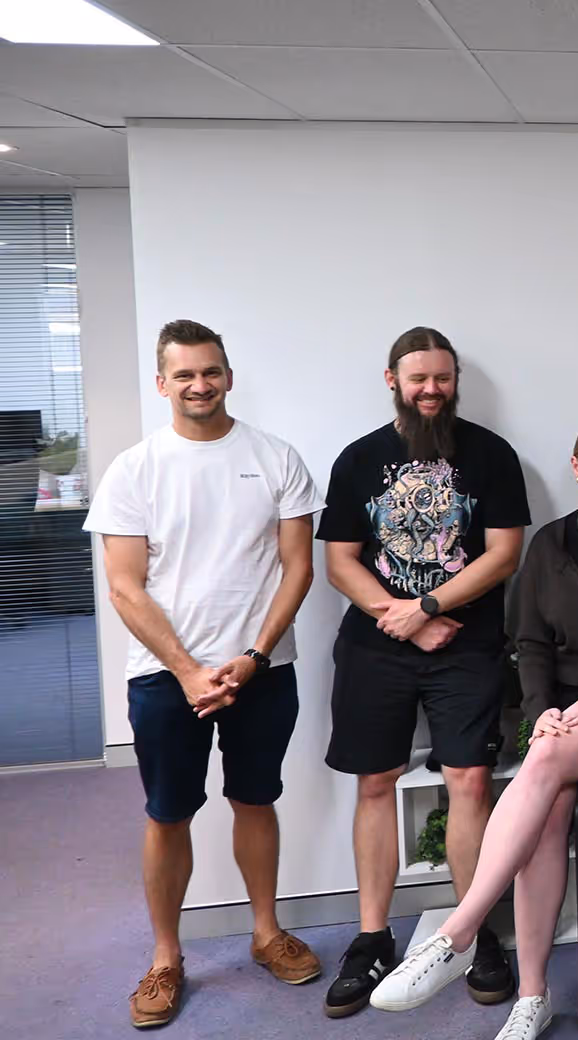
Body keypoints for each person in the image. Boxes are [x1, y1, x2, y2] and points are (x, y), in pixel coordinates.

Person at [366, 420, 578, 1038]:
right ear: (576, 467)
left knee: (541, 763)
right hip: (564, 714)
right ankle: (534, 996)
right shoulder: (548, 544)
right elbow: (531, 640)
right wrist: (542, 707)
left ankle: (459, 930)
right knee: (544, 814)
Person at [86, 320, 325, 1029]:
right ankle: (166, 959)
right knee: (169, 814)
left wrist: (251, 659)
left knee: (255, 800)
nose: (200, 385)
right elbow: (126, 588)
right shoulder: (135, 469)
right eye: (184, 374)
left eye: (211, 371)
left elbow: (299, 568)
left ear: (228, 375)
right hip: (166, 678)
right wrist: (189, 671)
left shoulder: (276, 458)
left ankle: (266, 933)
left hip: (262, 669)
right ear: (162, 383)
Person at [318, 327, 531, 1018]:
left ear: (455, 379)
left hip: (468, 645)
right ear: (392, 381)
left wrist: (433, 604)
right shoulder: (358, 460)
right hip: (376, 646)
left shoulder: (493, 456)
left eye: (442, 378)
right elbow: (340, 561)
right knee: (375, 781)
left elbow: (503, 554)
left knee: (468, 778)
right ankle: (372, 938)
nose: (431, 390)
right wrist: (403, 614)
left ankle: (471, 933)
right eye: (419, 379)